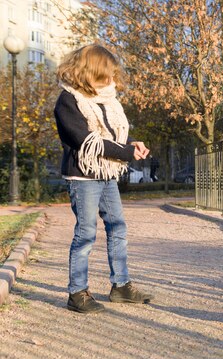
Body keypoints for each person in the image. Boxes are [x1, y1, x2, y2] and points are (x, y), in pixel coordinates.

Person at [54, 44, 153, 314]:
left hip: (106, 173)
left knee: (117, 227)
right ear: (88, 73)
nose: (111, 80)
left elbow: (112, 136)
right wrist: (127, 152)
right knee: (86, 233)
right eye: (105, 74)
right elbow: (86, 141)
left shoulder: (107, 99)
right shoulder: (68, 100)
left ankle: (120, 286)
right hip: (83, 176)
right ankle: (77, 292)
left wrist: (133, 143)